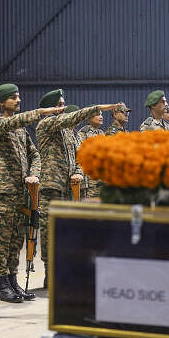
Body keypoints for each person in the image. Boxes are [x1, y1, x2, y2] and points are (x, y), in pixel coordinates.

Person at [35, 88, 122, 288]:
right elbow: (68, 119)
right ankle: (51, 274)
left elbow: (77, 157)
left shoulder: (68, 133)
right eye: (58, 105)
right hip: (52, 186)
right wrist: (97, 108)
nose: (63, 108)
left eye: (63, 104)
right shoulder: (46, 124)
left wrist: (78, 172)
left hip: (68, 186)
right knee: (50, 231)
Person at [0, 83, 64, 303]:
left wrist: (34, 174)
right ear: (2, 102)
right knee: (2, 239)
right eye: (12, 98)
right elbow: (14, 121)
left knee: (16, 239)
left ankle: (13, 280)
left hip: (22, 191)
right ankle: (2, 285)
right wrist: (41, 112)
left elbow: (35, 155)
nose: (18, 100)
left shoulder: (21, 131)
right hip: (4, 191)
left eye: (18, 97)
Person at [78, 109, 105, 198]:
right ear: (89, 118)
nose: (101, 117)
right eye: (97, 115)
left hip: (101, 178)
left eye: (101, 114)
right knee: (90, 206)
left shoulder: (102, 133)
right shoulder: (83, 133)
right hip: (90, 179)